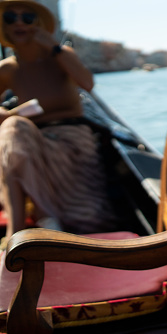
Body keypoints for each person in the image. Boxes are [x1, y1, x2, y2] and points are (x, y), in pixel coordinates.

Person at [0, 0, 116, 248]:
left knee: (90, 221)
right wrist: (6, 115)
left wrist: (54, 48)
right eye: (10, 18)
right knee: (13, 130)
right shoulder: (6, 69)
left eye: (27, 18)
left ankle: (46, 219)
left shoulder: (61, 55)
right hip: (30, 139)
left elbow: (87, 84)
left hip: (73, 139)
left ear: (38, 25)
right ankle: (18, 230)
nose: (19, 22)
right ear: (4, 27)